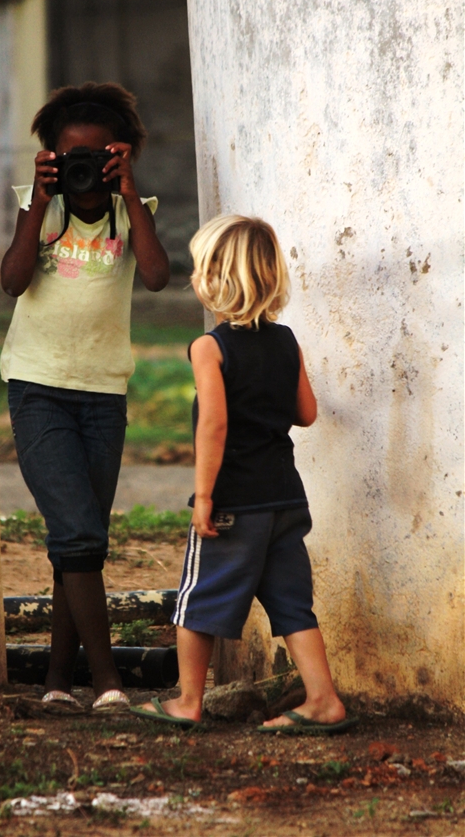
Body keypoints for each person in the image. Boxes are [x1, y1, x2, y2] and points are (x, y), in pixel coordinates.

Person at [132, 215, 356, 733]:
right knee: (293, 604)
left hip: (235, 502)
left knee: (197, 601)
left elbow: (213, 426)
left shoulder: (210, 348)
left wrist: (205, 496)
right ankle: (323, 699)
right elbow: (307, 413)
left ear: (213, 279)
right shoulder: (286, 341)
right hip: (284, 501)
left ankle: (188, 700)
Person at [0, 82, 169, 713]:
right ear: (50, 157)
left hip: (102, 393)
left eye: (98, 156)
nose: (85, 167)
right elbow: (13, 281)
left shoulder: (133, 210)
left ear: (119, 156)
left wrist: (130, 194)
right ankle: (108, 684)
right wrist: (38, 201)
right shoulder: (38, 207)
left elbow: (156, 277)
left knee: (81, 541)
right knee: (77, 536)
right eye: (72, 155)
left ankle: (53, 685)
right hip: (38, 387)